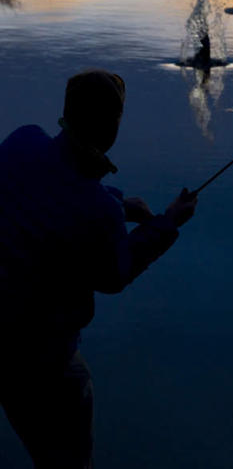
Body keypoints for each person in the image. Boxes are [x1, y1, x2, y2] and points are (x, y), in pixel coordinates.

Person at [0, 69, 198, 468]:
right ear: (111, 128)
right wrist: (167, 223)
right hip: (45, 366)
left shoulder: (22, 139)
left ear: (66, 112)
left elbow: (49, 190)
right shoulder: (97, 212)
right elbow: (113, 275)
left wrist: (120, 205)